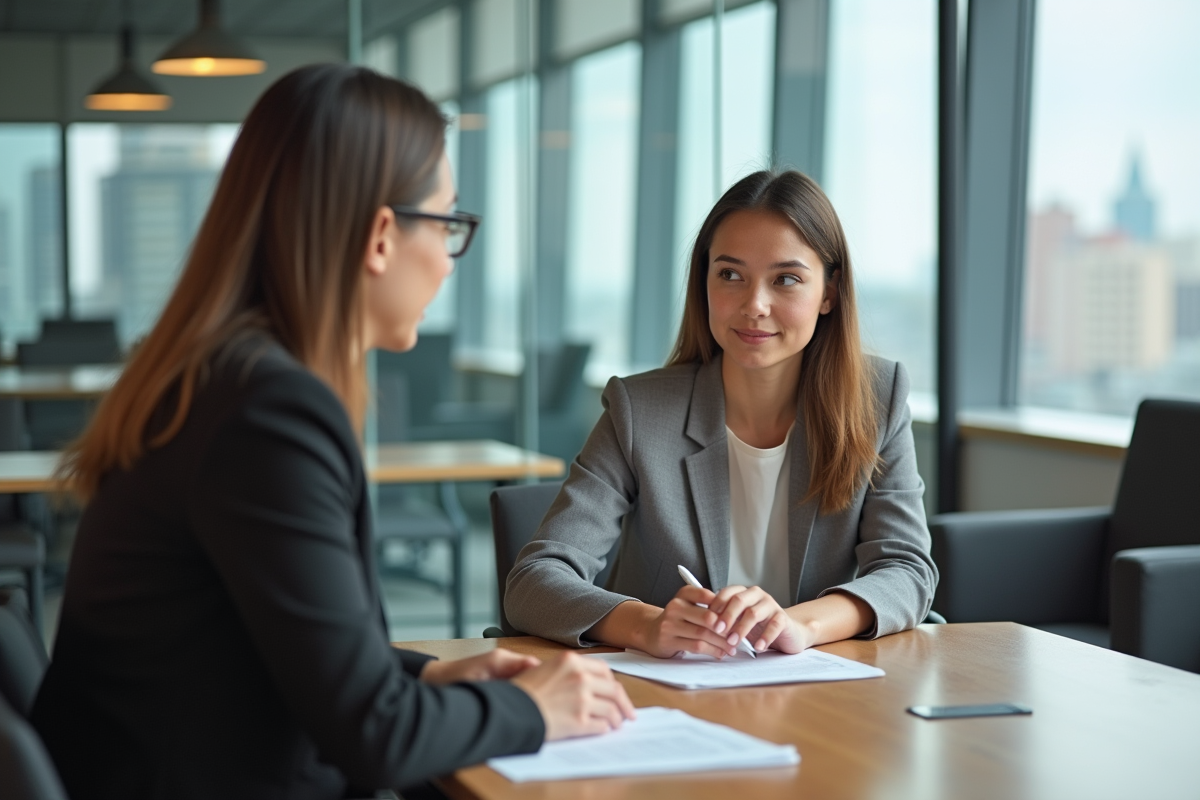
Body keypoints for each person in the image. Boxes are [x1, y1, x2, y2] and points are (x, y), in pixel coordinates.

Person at [31, 64, 633, 800]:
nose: (448, 262)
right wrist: (533, 710)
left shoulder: (219, 378)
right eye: (447, 224)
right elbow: (373, 736)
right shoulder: (268, 413)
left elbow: (286, 650)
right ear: (382, 234)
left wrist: (434, 672)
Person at [505, 170, 937, 658]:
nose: (754, 305)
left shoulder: (877, 399)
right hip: (666, 696)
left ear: (830, 293)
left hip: (818, 693)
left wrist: (802, 624)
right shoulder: (638, 411)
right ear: (704, 282)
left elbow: (907, 569)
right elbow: (534, 582)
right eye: (730, 275)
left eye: (786, 279)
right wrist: (647, 624)